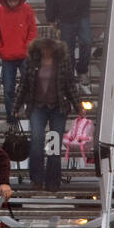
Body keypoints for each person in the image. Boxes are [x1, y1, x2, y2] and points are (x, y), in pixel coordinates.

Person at [13, 36, 83, 192]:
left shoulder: (63, 62)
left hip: (57, 107)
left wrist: (78, 106)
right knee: (37, 142)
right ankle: (36, 180)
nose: (46, 50)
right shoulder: (31, 62)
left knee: (53, 145)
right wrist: (16, 106)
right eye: (43, 47)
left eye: (49, 47)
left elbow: (70, 85)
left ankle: (53, 181)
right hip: (37, 107)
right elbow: (23, 85)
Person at [0, 0, 36, 122]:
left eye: (15, 0)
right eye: (10, 0)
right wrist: (3, 52)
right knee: (8, 89)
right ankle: (12, 118)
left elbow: (32, 31)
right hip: (8, 58)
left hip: (24, 56)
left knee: (28, 85)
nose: (13, 3)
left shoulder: (27, 10)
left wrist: (27, 47)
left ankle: (27, 111)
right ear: (5, 0)